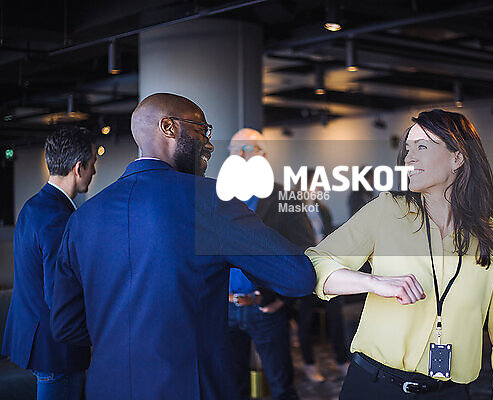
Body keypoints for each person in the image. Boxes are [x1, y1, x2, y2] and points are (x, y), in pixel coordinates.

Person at [49, 93, 316, 400]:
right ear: (169, 127)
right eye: (202, 130)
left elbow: (66, 325)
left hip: (107, 388)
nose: (210, 144)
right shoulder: (210, 199)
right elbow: (298, 277)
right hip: (188, 386)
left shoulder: (82, 218)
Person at [305, 109, 493, 400]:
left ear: (457, 158)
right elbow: (315, 264)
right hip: (372, 387)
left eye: (422, 147)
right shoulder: (387, 211)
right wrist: (374, 283)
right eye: (408, 148)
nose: (409, 158)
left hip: (448, 394)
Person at [2, 126, 95, 400]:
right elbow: (60, 296)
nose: (94, 171)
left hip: (35, 337)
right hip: (56, 349)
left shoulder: (33, 206)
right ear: (79, 168)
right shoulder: (59, 217)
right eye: (93, 164)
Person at [226, 128, 314, 400]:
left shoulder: (284, 196)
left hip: (265, 307)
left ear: (263, 156)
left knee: (281, 387)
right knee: (230, 387)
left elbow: (305, 251)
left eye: (248, 149)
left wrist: (283, 300)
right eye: (235, 150)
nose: (241, 155)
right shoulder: (219, 197)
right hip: (225, 308)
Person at [297, 168, 349, 382]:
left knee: (336, 318)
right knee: (306, 320)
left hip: (326, 268)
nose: (319, 188)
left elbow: (330, 236)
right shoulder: (293, 210)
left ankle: (342, 362)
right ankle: (309, 365)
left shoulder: (322, 209)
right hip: (304, 270)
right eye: (315, 184)